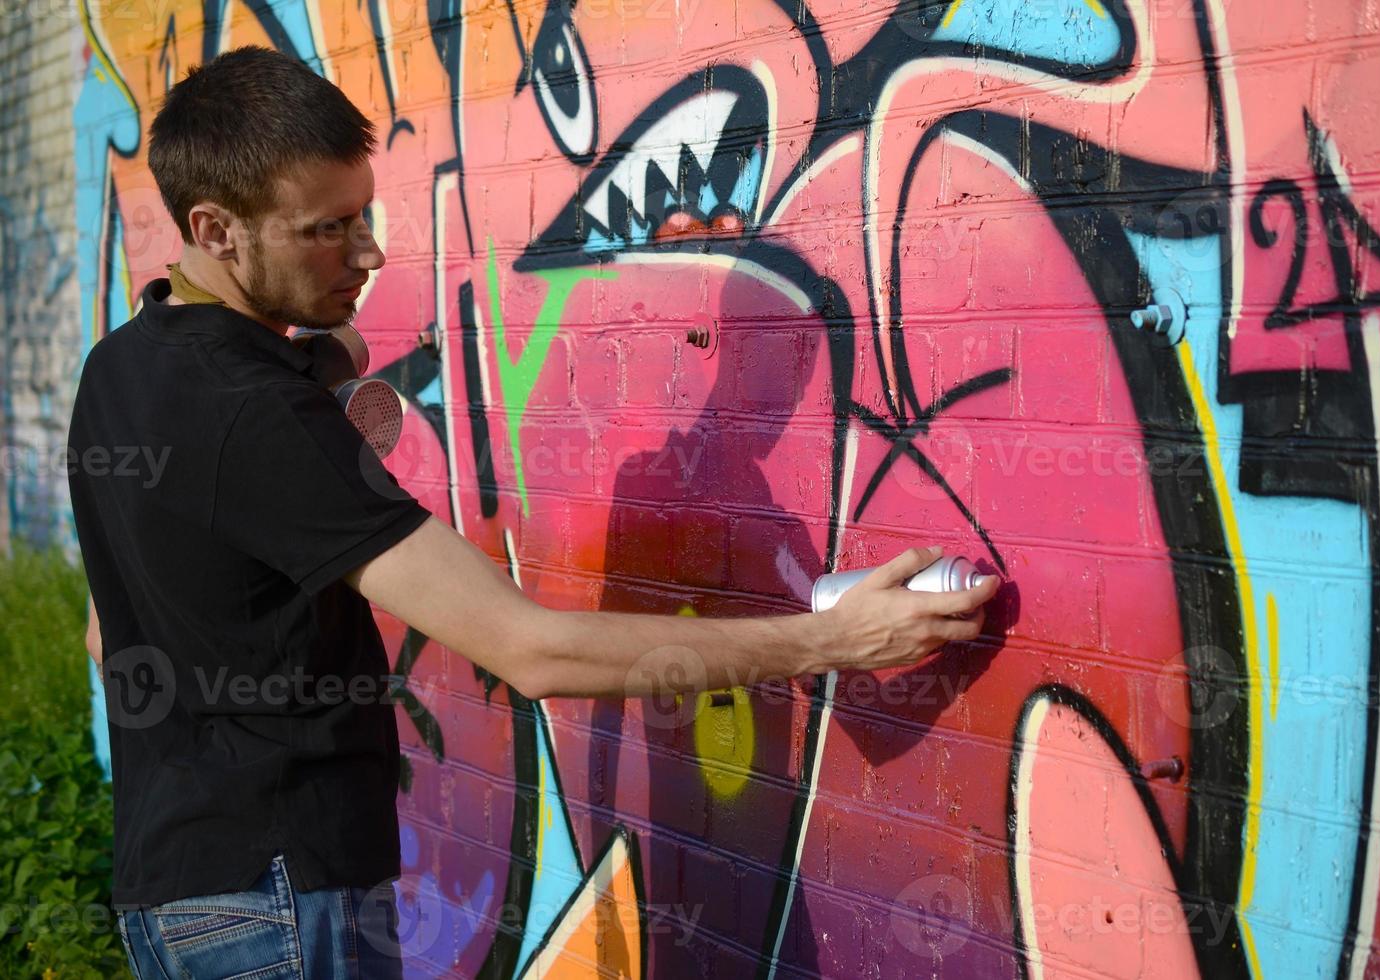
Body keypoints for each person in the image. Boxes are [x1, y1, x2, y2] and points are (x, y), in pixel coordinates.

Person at [68, 46, 1000, 979]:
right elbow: (530, 649)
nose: (369, 253)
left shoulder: (119, 371)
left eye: (366, 216)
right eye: (326, 229)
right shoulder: (263, 418)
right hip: (284, 898)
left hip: (177, 892)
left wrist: (307, 373)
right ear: (216, 229)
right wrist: (830, 644)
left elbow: (109, 636)